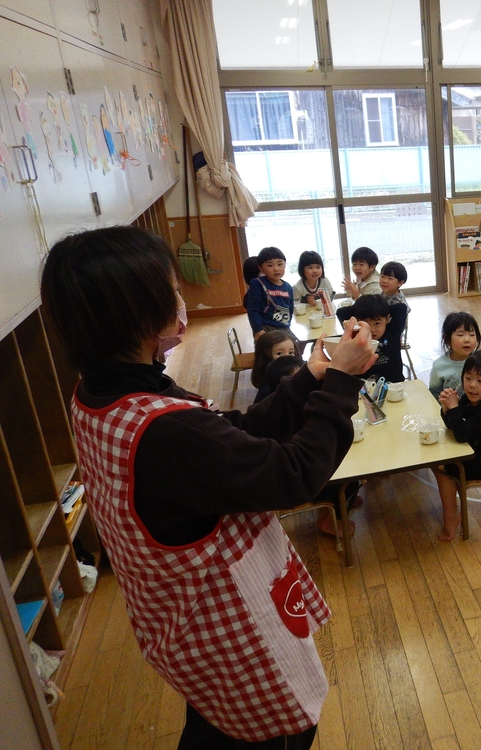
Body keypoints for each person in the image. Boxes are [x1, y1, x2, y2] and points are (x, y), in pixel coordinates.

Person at [40, 226, 376, 749]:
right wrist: (342, 386)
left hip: (182, 628)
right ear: (137, 315)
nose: (181, 301)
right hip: (233, 636)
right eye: (171, 290)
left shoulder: (99, 392)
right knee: (273, 730)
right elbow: (293, 475)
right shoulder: (165, 430)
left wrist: (310, 379)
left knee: (214, 724)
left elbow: (229, 437)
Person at [432, 351, 481, 542]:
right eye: (468, 378)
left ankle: (451, 517)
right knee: (440, 459)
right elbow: (456, 423)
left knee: (442, 467)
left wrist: (453, 409)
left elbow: (460, 434)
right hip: (479, 450)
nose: (472, 385)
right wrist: (446, 408)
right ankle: (453, 508)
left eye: (480, 381)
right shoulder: (472, 398)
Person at [336, 293, 408, 382]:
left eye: (377, 323)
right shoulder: (356, 336)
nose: (372, 330)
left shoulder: (393, 331)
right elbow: (341, 312)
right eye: (365, 324)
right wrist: (361, 310)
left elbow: (401, 308)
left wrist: (381, 309)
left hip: (393, 383)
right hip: (362, 386)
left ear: (387, 319)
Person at [245, 246, 295, 341]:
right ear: (261, 268)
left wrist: (287, 323)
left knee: (295, 347)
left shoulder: (288, 287)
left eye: (280, 264)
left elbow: (290, 308)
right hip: (266, 327)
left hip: (284, 327)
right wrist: (258, 330)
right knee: (269, 353)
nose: (276, 269)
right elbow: (252, 309)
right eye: (270, 265)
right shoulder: (257, 283)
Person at [429, 311, 481, 399]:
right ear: (446, 339)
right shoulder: (439, 366)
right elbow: (434, 396)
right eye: (460, 335)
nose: (467, 340)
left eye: (472, 334)